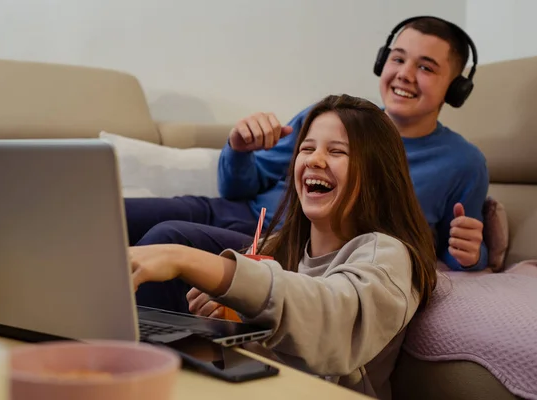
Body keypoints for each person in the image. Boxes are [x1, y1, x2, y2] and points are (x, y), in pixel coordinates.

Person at [127, 15, 488, 289]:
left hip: (288, 242)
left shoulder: (463, 162)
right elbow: (237, 189)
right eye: (397, 59)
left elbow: (456, 248)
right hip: (233, 211)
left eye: (425, 67)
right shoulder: (331, 116)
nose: (405, 74)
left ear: (456, 88)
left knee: (168, 237)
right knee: (111, 213)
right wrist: (238, 151)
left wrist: (471, 255)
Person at [128, 94, 438, 399]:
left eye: (337, 151)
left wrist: (187, 259)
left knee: (170, 237)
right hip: (247, 387)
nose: (315, 160)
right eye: (307, 148)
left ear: (376, 174)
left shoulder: (387, 254)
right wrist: (226, 313)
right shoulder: (279, 246)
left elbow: (330, 323)